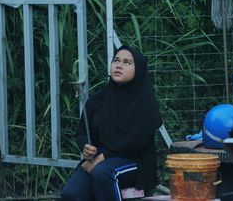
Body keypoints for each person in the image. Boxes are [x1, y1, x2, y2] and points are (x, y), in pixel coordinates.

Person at [61, 45, 162, 201]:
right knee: (71, 194)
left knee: (103, 173)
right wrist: (85, 147)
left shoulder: (144, 102)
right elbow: (82, 131)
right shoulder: (98, 98)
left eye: (127, 62)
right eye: (116, 60)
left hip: (134, 159)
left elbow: (135, 142)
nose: (119, 65)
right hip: (100, 158)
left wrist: (102, 158)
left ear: (139, 69)